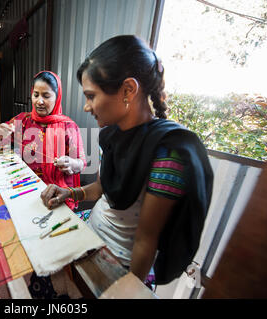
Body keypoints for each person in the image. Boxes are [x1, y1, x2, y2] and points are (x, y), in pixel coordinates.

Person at [40, 35, 214, 286]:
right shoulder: (112, 135)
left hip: (119, 267)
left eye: (91, 96)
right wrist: (70, 193)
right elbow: (102, 189)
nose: (87, 107)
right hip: (90, 237)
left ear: (128, 90)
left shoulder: (168, 153)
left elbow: (145, 241)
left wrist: (129, 290)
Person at [0, 71, 87, 210]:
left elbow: (82, 163)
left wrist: (72, 164)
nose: (39, 101)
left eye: (46, 96)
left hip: (57, 193)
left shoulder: (68, 127)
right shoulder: (23, 121)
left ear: (57, 98)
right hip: (26, 189)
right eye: (36, 95)